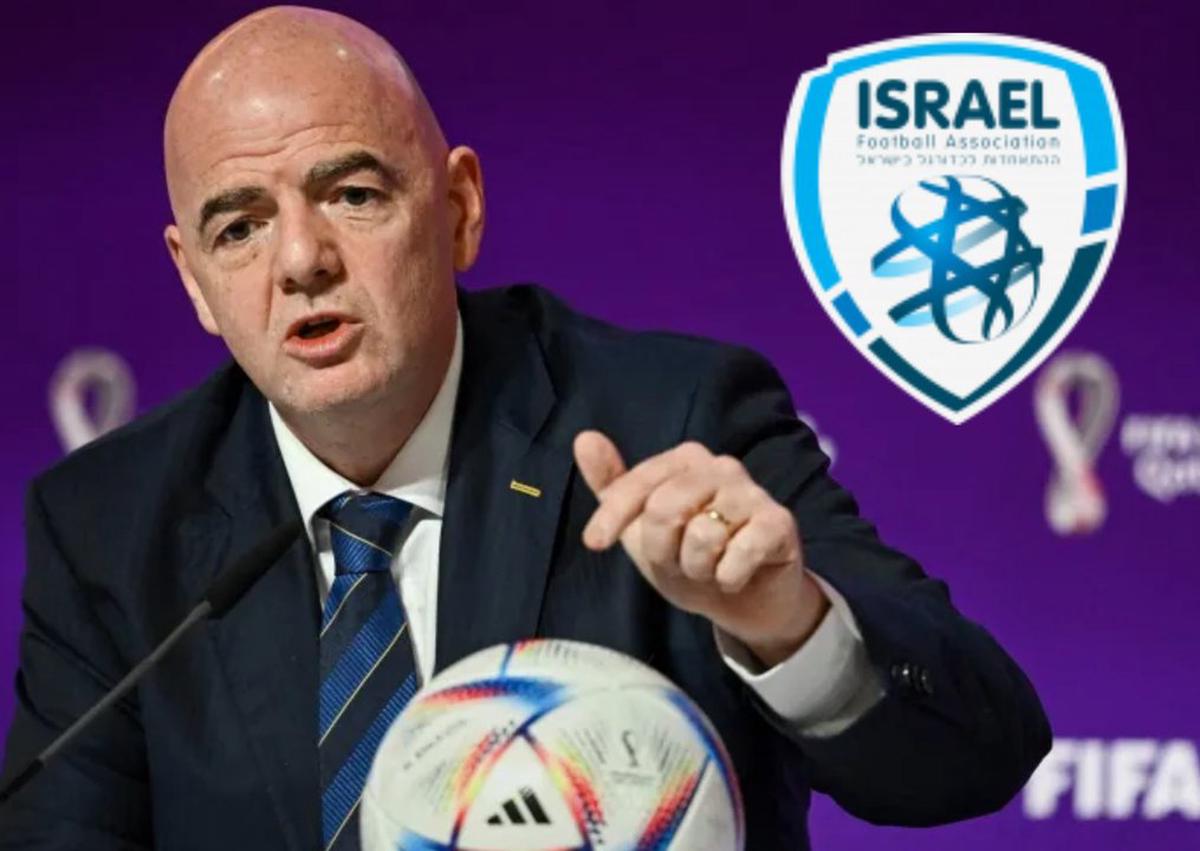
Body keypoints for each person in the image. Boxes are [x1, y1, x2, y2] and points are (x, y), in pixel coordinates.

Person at [0, 6, 1050, 850]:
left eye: (353, 194)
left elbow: (981, 752)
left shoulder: (671, 422)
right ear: (193, 279)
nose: (302, 261)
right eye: (240, 226)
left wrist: (789, 624)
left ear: (459, 208)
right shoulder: (110, 524)